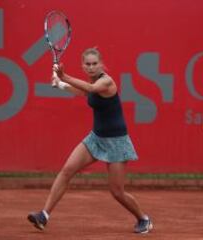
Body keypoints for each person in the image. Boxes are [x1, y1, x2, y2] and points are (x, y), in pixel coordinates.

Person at [27, 47, 153, 234]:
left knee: (117, 192)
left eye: (95, 64)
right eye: (88, 64)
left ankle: (144, 219)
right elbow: (85, 93)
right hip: (96, 138)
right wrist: (60, 84)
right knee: (67, 170)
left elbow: (92, 89)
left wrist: (64, 76)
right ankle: (44, 215)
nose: (92, 67)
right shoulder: (91, 82)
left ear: (101, 64)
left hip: (117, 142)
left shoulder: (106, 81)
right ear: (83, 66)